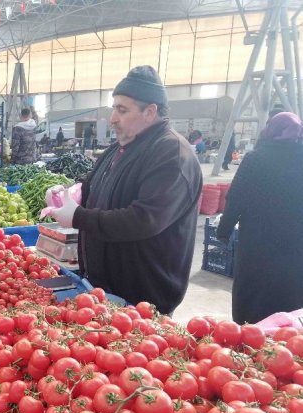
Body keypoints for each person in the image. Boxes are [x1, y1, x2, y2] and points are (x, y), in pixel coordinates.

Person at [50, 65, 203, 315]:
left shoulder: (171, 154)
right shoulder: (121, 146)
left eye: (122, 110)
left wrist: (78, 217)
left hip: (143, 300)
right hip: (106, 291)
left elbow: (144, 220)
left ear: (150, 112)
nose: (113, 118)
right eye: (114, 108)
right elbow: (93, 185)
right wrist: (70, 192)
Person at [217, 112, 303, 324]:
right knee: (290, 296)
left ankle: (249, 340)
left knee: (254, 294)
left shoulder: (256, 159)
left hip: (258, 244)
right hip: (295, 246)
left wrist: (224, 231)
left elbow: (235, 198)